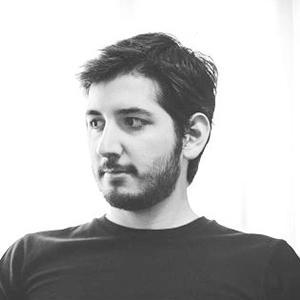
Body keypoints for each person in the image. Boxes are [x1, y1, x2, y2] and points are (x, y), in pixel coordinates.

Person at [0, 32, 299, 300]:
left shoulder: (266, 267)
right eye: (96, 123)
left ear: (192, 135)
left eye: (133, 122)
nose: (105, 147)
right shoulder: (28, 261)